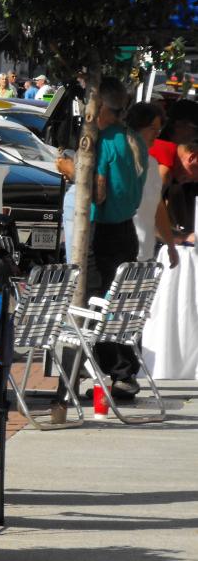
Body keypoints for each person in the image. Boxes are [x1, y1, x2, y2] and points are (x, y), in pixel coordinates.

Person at [87, 77, 149, 397]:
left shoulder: (105, 141)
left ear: (100, 107)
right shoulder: (134, 139)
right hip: (126, 229)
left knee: (99, 304)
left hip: (103, 232)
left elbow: (98, 193)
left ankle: (115, 371)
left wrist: (72, 170)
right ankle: (126, 373)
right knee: (123, 303)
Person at [126, 101, 177, 268]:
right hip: (122, 250)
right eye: (152, 129)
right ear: (136, 127)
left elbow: (158, 207)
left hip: (145, 253)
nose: (156, 134)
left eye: (158, 129)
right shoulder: (122, 160)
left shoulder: (153, 164)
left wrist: (170, 245)